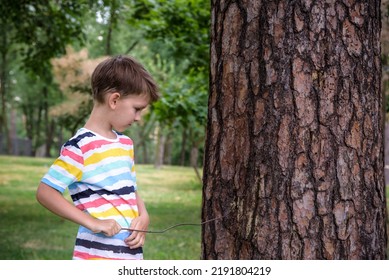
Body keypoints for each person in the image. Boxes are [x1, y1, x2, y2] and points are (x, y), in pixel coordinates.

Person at [36, 55, 159, 260]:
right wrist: (92, 222)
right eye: (137, 109)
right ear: (114, 100)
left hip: (130, 256)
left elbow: (131, 188)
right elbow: (45, 192)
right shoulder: (80, 147)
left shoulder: (125, 144)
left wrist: (143, 215)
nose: (138, 118)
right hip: (95, 257)